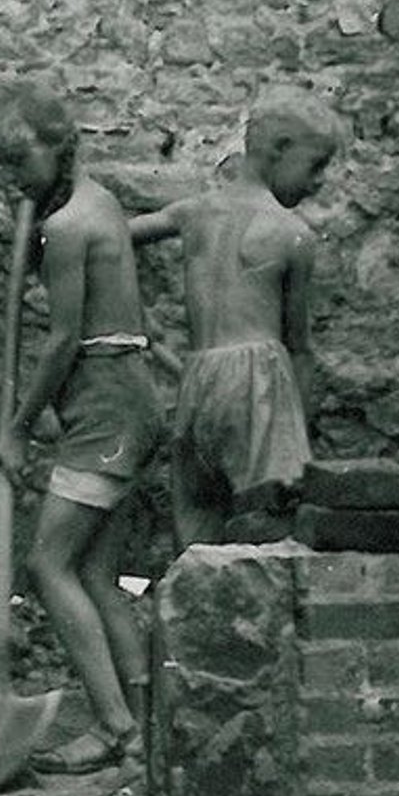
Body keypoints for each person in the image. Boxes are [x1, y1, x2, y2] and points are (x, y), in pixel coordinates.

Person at [0, 82, 182, 773]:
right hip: (127, 397)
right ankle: (145, 724)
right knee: (96, 570)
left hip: (106, 407)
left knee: (47, 563)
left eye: (18, 165)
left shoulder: (67, 230)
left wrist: (17, 430)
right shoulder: (97, 206)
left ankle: (115, 724)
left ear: (60, 149)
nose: (10, 179)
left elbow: (63, 340)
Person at [130, 87, 342, 547]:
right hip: (258, 381)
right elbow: (299, 345)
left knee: (197, 530)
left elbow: (110, 242)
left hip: (198, 378)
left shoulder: (194, 212)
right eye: (317, 165)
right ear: (280, 150)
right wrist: (298, 439)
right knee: (273, 523)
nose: (321, 181)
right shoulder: (293, 234)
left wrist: (139, 324)